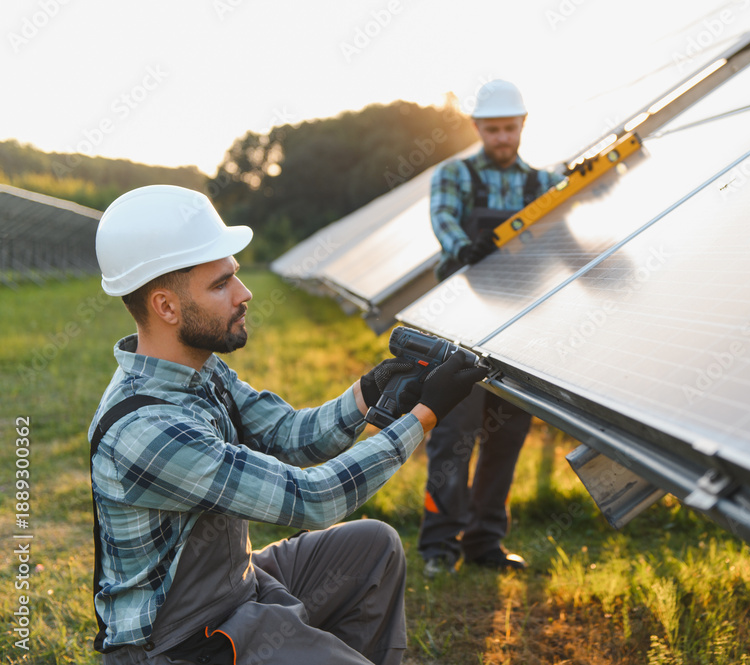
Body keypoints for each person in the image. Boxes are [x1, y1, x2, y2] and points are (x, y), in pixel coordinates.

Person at [88, 184, 486, 664]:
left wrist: (372, 390)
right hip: (183, 642)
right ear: (166, 307)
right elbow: (311, 498)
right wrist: (424, 417)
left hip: (235, 588)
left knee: (373, 547)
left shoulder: (201, 370)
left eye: (234, 275)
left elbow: (289, 436)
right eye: (221, 285)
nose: (244, 292)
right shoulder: (147, 429)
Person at [420, 80, 565, 577]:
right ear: (478, 127)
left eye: (509, 128)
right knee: (453, 430)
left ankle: (486, 541)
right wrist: (464, 249)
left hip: (519, 320)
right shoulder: (454, 174)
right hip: (460, 320)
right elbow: (443, 220)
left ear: (522, 125)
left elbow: (561, 239)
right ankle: (440, 543)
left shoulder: (544, 183)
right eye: (492, 128)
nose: (502, 137)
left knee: (506, 430)